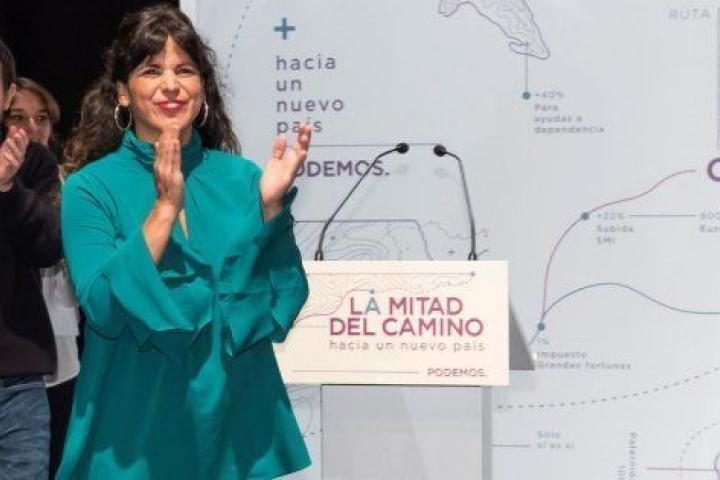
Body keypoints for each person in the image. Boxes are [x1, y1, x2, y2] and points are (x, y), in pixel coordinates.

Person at [58, 5, 312, 479]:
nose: (171, 85)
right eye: (151, 70)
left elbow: (282, 302)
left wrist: (271, 208)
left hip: (235, 429)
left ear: (203, 88)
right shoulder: (89, 188)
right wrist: (164, 209)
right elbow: (103, 309)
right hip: (134, 432)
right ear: (122, 92)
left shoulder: (242, 178)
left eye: (185, 70)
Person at [5, 76, 81, 478]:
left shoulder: (53, 175)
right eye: (19, 117)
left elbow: (50, 248)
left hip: (46, 355)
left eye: (42, 119)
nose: (32, 128)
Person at [0, 40, 62, 479]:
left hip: (15, 383)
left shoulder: (32, 160)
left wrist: (7, 189)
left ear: (7, 95)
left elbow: (49, 246)